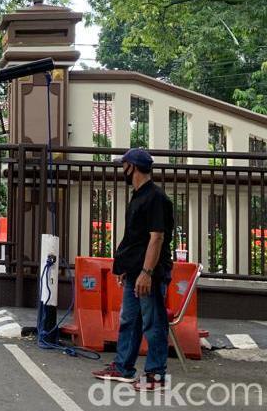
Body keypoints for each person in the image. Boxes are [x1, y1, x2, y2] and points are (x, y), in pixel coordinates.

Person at [93, 148, 174, 392]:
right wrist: (129, 268)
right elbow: (136, 239)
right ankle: (123, 367)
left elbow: (157, 238)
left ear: (133, 167)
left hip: (150, 273)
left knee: (153, 322)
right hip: (136, 272)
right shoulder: (138, 196)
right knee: (129, 320)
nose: (122, 170)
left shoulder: (156, 198)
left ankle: (156, 376)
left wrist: (147, 273)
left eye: (124, 166)